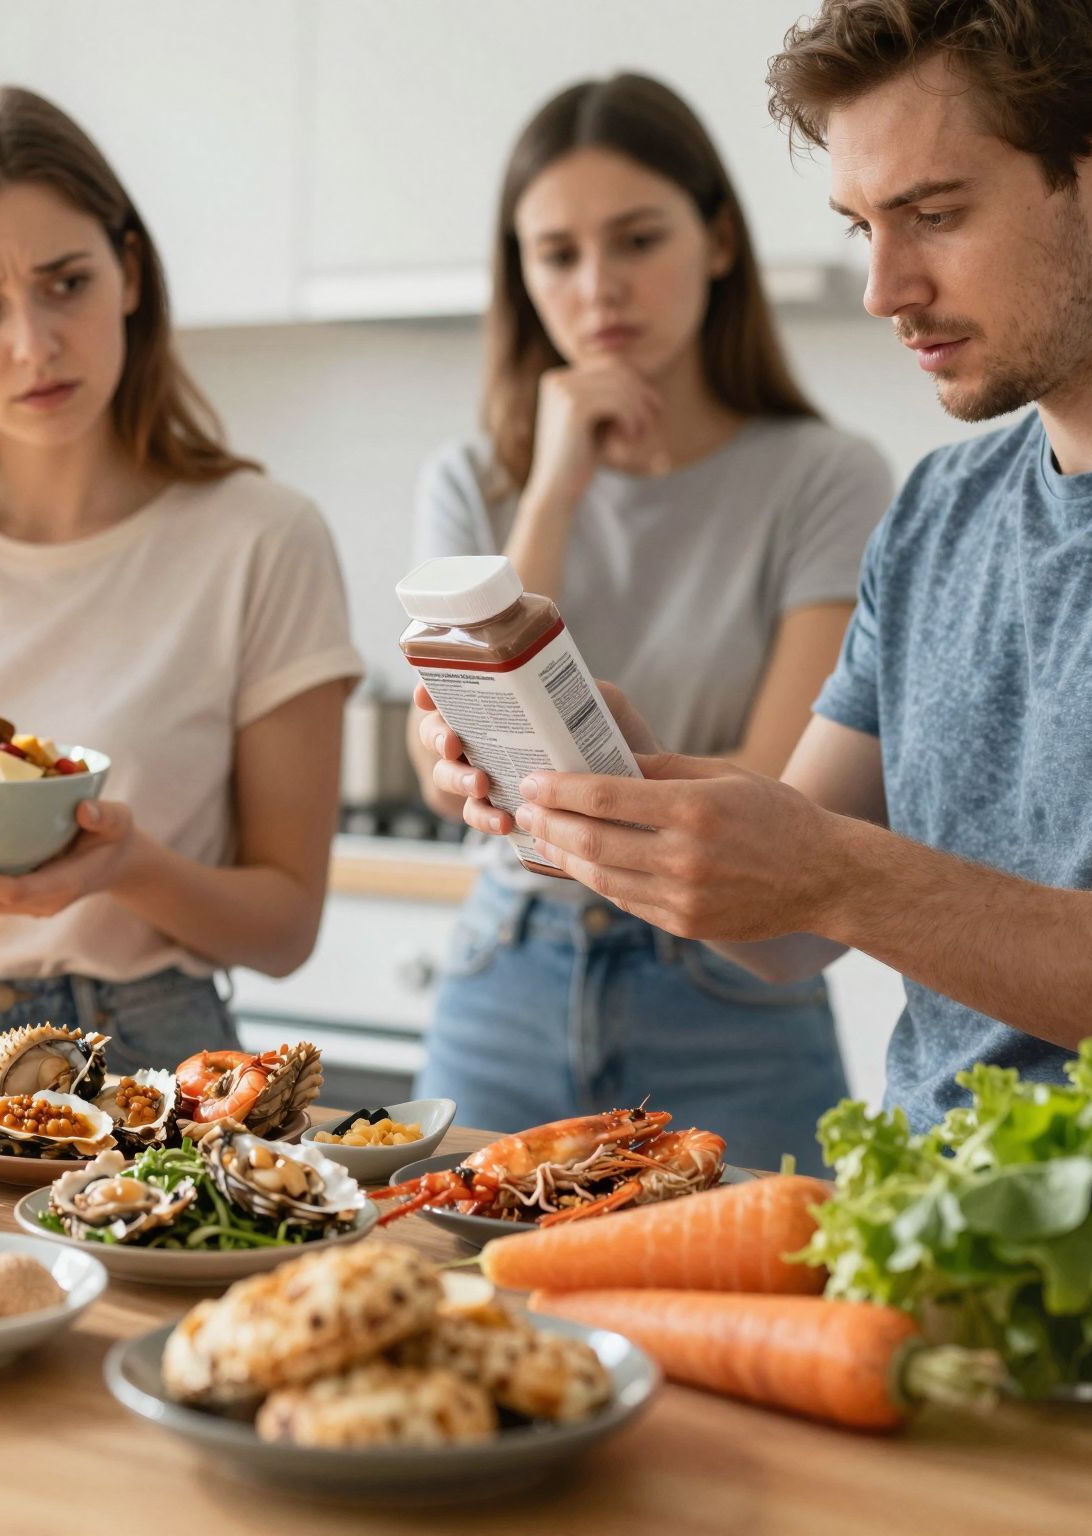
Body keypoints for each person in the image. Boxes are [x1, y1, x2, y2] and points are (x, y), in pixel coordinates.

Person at [414, 0, 1092, 1238]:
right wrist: (606, 789)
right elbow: (778, 938)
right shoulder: (942, 506)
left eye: (934, 215)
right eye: (859, 227)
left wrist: (835, 877)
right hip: (919, 1255)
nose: (885, 287)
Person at [0, 87, 363, 1068]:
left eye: (65, 284)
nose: (33, 344)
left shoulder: (263, 540)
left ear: (128, 272)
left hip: (151, 1048)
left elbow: (284, 928)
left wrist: (126, 868)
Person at [405, 73, 892, 1169]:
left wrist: (556, 789)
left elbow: (780, 783)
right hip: (505, 975)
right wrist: (551, 491)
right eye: (557, 255)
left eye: (636, 240)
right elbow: (437, 744)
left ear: (718, 240)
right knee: (446, 1305)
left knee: (755, 1320)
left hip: (730, 985)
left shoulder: (823, 478)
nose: (597, 290)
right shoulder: (475, 481)